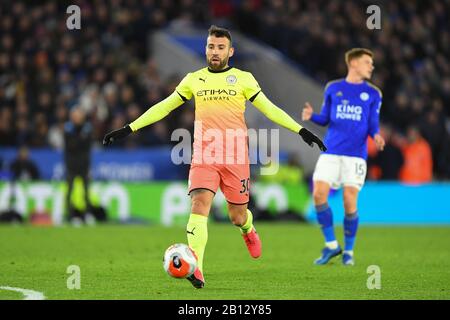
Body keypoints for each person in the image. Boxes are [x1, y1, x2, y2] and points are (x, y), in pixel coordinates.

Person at [103, 25, 326, 288]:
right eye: (211, 47)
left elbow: (270, 109)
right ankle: (196, 268)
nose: (215, 52)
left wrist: (301, 131)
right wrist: (130, 127)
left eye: (220, 47)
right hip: (204, 155)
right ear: (206, 49)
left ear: (230, 51)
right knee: (199, 205)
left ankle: (248, 229)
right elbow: (164, 106)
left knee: (237, 216)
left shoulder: (244, 79)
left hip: (235, 157)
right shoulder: (193, 79)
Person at [302, 48, 385, 266]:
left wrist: (376, 135)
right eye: (368, 62)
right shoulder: (334, 88)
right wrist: (312, 117)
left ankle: (348, 251)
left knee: (349, 202)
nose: (371, 66)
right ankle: (331, 246)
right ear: (354, 63)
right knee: (319, 194)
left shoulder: (374, 94)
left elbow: (372, 124)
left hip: (356, 156)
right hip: (331, 152)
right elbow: (326, 118)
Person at [64, 107, 93, 219]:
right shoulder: (68, 128)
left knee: (86, 192)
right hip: (71, 164)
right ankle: (69, 215)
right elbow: (71, 145)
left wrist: (78, 140)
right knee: (69, 191)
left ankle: (87, 215)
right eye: (75, 116)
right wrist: (81, 138)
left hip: (84, 164)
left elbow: (86, 145)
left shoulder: (87, 128)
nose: (77, 118)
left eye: (79, 116)